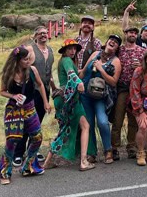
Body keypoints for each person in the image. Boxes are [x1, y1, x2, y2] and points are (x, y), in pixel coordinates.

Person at [0, 45, 51, 185]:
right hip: (14, 109)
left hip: (30, 107)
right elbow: (2, 91)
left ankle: (29, 166)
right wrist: (14, 96)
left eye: (29, 59)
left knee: (37, 137)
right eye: (25, 59)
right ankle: (4, 172)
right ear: (18, 60)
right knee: (12, 141)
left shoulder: (32, 71)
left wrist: (46, 103)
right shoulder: (8, 74)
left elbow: (40, 85)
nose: (28, 61)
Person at [42, 39, 95, 172]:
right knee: (85, 126)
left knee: (65, 129)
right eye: (69, 48)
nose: (72, 51)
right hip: (70, 100)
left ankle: (47, 162)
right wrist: (79, 83)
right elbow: (72, 74)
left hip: (64, 100)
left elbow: (75, 72)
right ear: (64, 50)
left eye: (74, 49)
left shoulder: (67, 62)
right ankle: (83, 161)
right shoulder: (66, 60)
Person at [13, 26, 56, 167]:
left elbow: (48, 73)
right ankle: (18, 153)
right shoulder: (31, 49)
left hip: (45, 90)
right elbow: (18, 56)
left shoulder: (50, 50)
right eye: (40, 33)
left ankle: (33, 149)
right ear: (35, 36)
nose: (44, 35)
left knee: (37, 123)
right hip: (32, 90)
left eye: (45, 33)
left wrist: (53, 88)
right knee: (27, 122)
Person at [80, 34, 122, 164]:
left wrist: (101, 69)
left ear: (117, 47)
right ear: (107, 42)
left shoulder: (116, 61)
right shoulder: (95, 54)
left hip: (101, 97)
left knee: (103, 122)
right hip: (85, 94)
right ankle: (91, 153)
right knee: (89, 124)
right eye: (111, 40)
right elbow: (82, 72)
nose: (113, 42)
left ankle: (108, 150)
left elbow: (114, 82)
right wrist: (74, 79)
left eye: (116, 42)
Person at [111, 26, 145, 160]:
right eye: (130, 32)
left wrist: (140, 68)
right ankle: (114, 148)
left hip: (136, 90)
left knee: (133, 121)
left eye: (135, 33)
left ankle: (131, 146)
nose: (133, 34)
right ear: (125, 34)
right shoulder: (119, 50)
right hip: (122, 89)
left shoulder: (142, 51)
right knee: (117, 120)